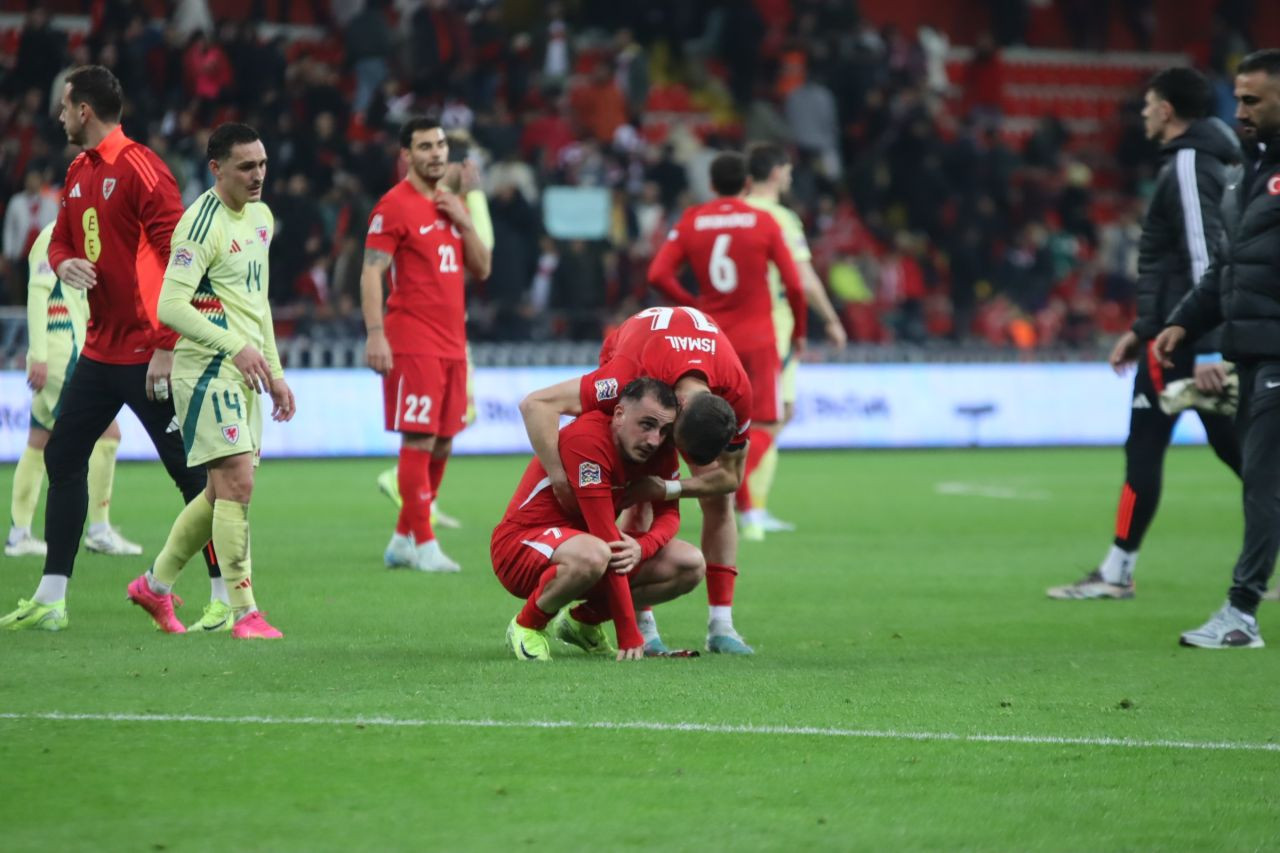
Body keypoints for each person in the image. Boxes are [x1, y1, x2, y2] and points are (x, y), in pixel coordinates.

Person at [0, 66, 223, 633]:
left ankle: (226, 598)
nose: (57, 115)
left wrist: (169, 345)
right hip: (99, 353)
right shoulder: (77, 172)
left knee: (196, 477)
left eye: (64, 105)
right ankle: (52, 598)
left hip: (151, 351)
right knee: (62, 456)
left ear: (84, 111)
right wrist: (62, 262)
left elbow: (180, 255)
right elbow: (63, 240)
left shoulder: (143, 168)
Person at [1048, 67, 1243, 601]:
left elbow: (1207, 253)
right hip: (1176, 333)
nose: (1141, 114)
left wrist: (1208, 345)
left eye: (1147, 105)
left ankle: (1116, 572)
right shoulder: (1218, 160)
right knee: (1241, 450)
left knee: (1148, 447)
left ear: (1166, 111)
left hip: (1185, 341)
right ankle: (1118, 569)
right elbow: (1177, 260)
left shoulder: (1187, 163)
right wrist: (1140, 328)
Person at [124, 122, 294, 638]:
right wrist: (234, 347)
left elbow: (257, 303)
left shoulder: (261, 218)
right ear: (216, 168)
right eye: (247, 166)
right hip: (204, 370)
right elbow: (170, 305)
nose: (258, 175)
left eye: (262, 164)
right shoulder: (200, 225)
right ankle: (245, 612)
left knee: (221, 494)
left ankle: (153, 587)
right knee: (238, 482)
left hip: (244, 368)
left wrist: (276, 370)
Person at [519, 305, 750, 654]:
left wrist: (667, 487)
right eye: (671, 437)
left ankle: (722, 626)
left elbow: (730, 476)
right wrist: (560, 476)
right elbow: (537, 404)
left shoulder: (738, 391)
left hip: (684, 356)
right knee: (635, 480)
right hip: (631, 346)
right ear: (679, 407)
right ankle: (643, 624)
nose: (663, 444)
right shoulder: (626, 375)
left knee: (719, 499)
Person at [1153, 49, 1280, 649]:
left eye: (1253, 99)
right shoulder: (1247, 170)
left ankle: (1241, 613)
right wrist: (1185, 322)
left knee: (1261, 476)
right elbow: (1230, 267)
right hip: (1253, 347)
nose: (1241, 110)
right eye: (1239, 98)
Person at [648, 151, 808, 547]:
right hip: (757, 339)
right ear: (748, 184)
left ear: (712, 185)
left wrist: (694, 305)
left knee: (707, 422)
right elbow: (795, 283)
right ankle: (735, 494)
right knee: (765, 425)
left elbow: (657, 274)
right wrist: (801, 331)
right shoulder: (764, 220)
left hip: (709, 339)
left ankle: (747, 508)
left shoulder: (692, 220)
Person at [494, 377, 705, 661]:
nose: (654, 439)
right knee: (597, 552)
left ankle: (583, 622)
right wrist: (629, 634)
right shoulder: (588, 441)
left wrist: (644, 547)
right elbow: (606, 538)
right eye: (646, 425)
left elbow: (669, 515)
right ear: (619, 414)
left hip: (588, 553)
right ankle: (526, 625)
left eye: (664, 430)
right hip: (521, 547)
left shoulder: (659, 451)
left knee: (689, 564)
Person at [362, 117, 491, 573]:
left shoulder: (450, 203)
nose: (436, 154)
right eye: (425, 147)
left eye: (440, 146)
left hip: (454, 342)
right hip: (412, 340)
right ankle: (426, 543)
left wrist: (464, 220)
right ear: (407, 155)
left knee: (442, 442)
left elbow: (483, 268)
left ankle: (402, 538)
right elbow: (372, 272)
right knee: (418, 438)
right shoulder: (393, 207)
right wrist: (376, 334)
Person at [6, 221, 143, 559]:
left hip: (66, 349)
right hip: (60, 351)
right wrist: (37, 355)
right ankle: (98, 529)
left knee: (39, 440)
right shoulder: (55, 236)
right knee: (108, 435)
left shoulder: (83, 240)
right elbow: (38, 292)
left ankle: (19, 533)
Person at [740, 142, 847, 540]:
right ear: (776, 173)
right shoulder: (779, 218)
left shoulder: (731, 212)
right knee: (776, 415)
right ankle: (742, 498)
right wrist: (831, 320)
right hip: (773, 327)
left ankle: (751, 506)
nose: (788, 178)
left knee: (754, 416)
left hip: (731, 324)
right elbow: (801, 277)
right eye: (786, 171)